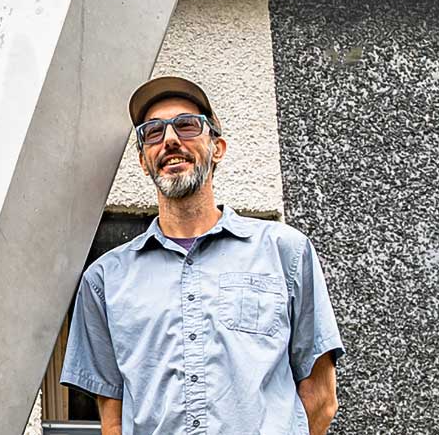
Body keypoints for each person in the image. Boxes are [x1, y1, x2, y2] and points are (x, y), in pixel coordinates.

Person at [61, 76, 342, 435]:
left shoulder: (285, 252)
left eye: (187, 125)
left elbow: (321, 398)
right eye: (153, 132)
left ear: (217, 148)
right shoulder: (104, 280)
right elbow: (113, 420)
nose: (170, 140)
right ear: (144, 162)